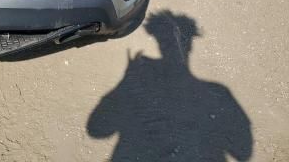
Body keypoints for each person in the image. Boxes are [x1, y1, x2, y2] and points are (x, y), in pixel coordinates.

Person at [87, 10, 252, 161]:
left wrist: (126, 80)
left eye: (170, 41)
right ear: (189, 46)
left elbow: (97, 130)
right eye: (166, 41)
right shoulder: (218, 93)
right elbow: (243, 151)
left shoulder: (218, 92)